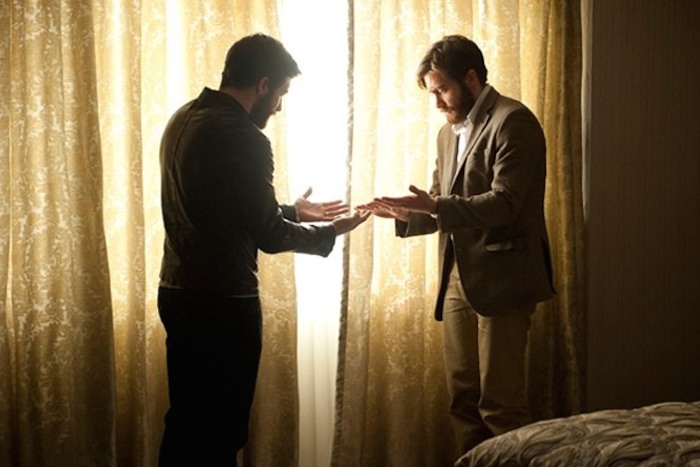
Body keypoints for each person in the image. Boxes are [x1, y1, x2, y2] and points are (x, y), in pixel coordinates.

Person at [156, 33, 369, 466]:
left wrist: (293, 210)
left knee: (185, 425)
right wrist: (329, 231)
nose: (279, 107)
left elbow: (218, 207)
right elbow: (269, 235)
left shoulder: (183, 117)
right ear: (264, 84)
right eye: (281, 94)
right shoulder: (246, 137)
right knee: (221, 433)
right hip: (223, 304)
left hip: (176, 293)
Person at [361, 35, 555, 454]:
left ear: (471, 79)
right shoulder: (447, 135)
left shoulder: (513, 120)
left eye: (441, 90)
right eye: (432, 94)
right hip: (455, 280)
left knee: (500, 405)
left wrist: (435, 205)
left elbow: (506, 203)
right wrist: (406, 215)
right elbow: (441, 203)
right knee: (462, 400)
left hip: (503, 280)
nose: (437, 103)